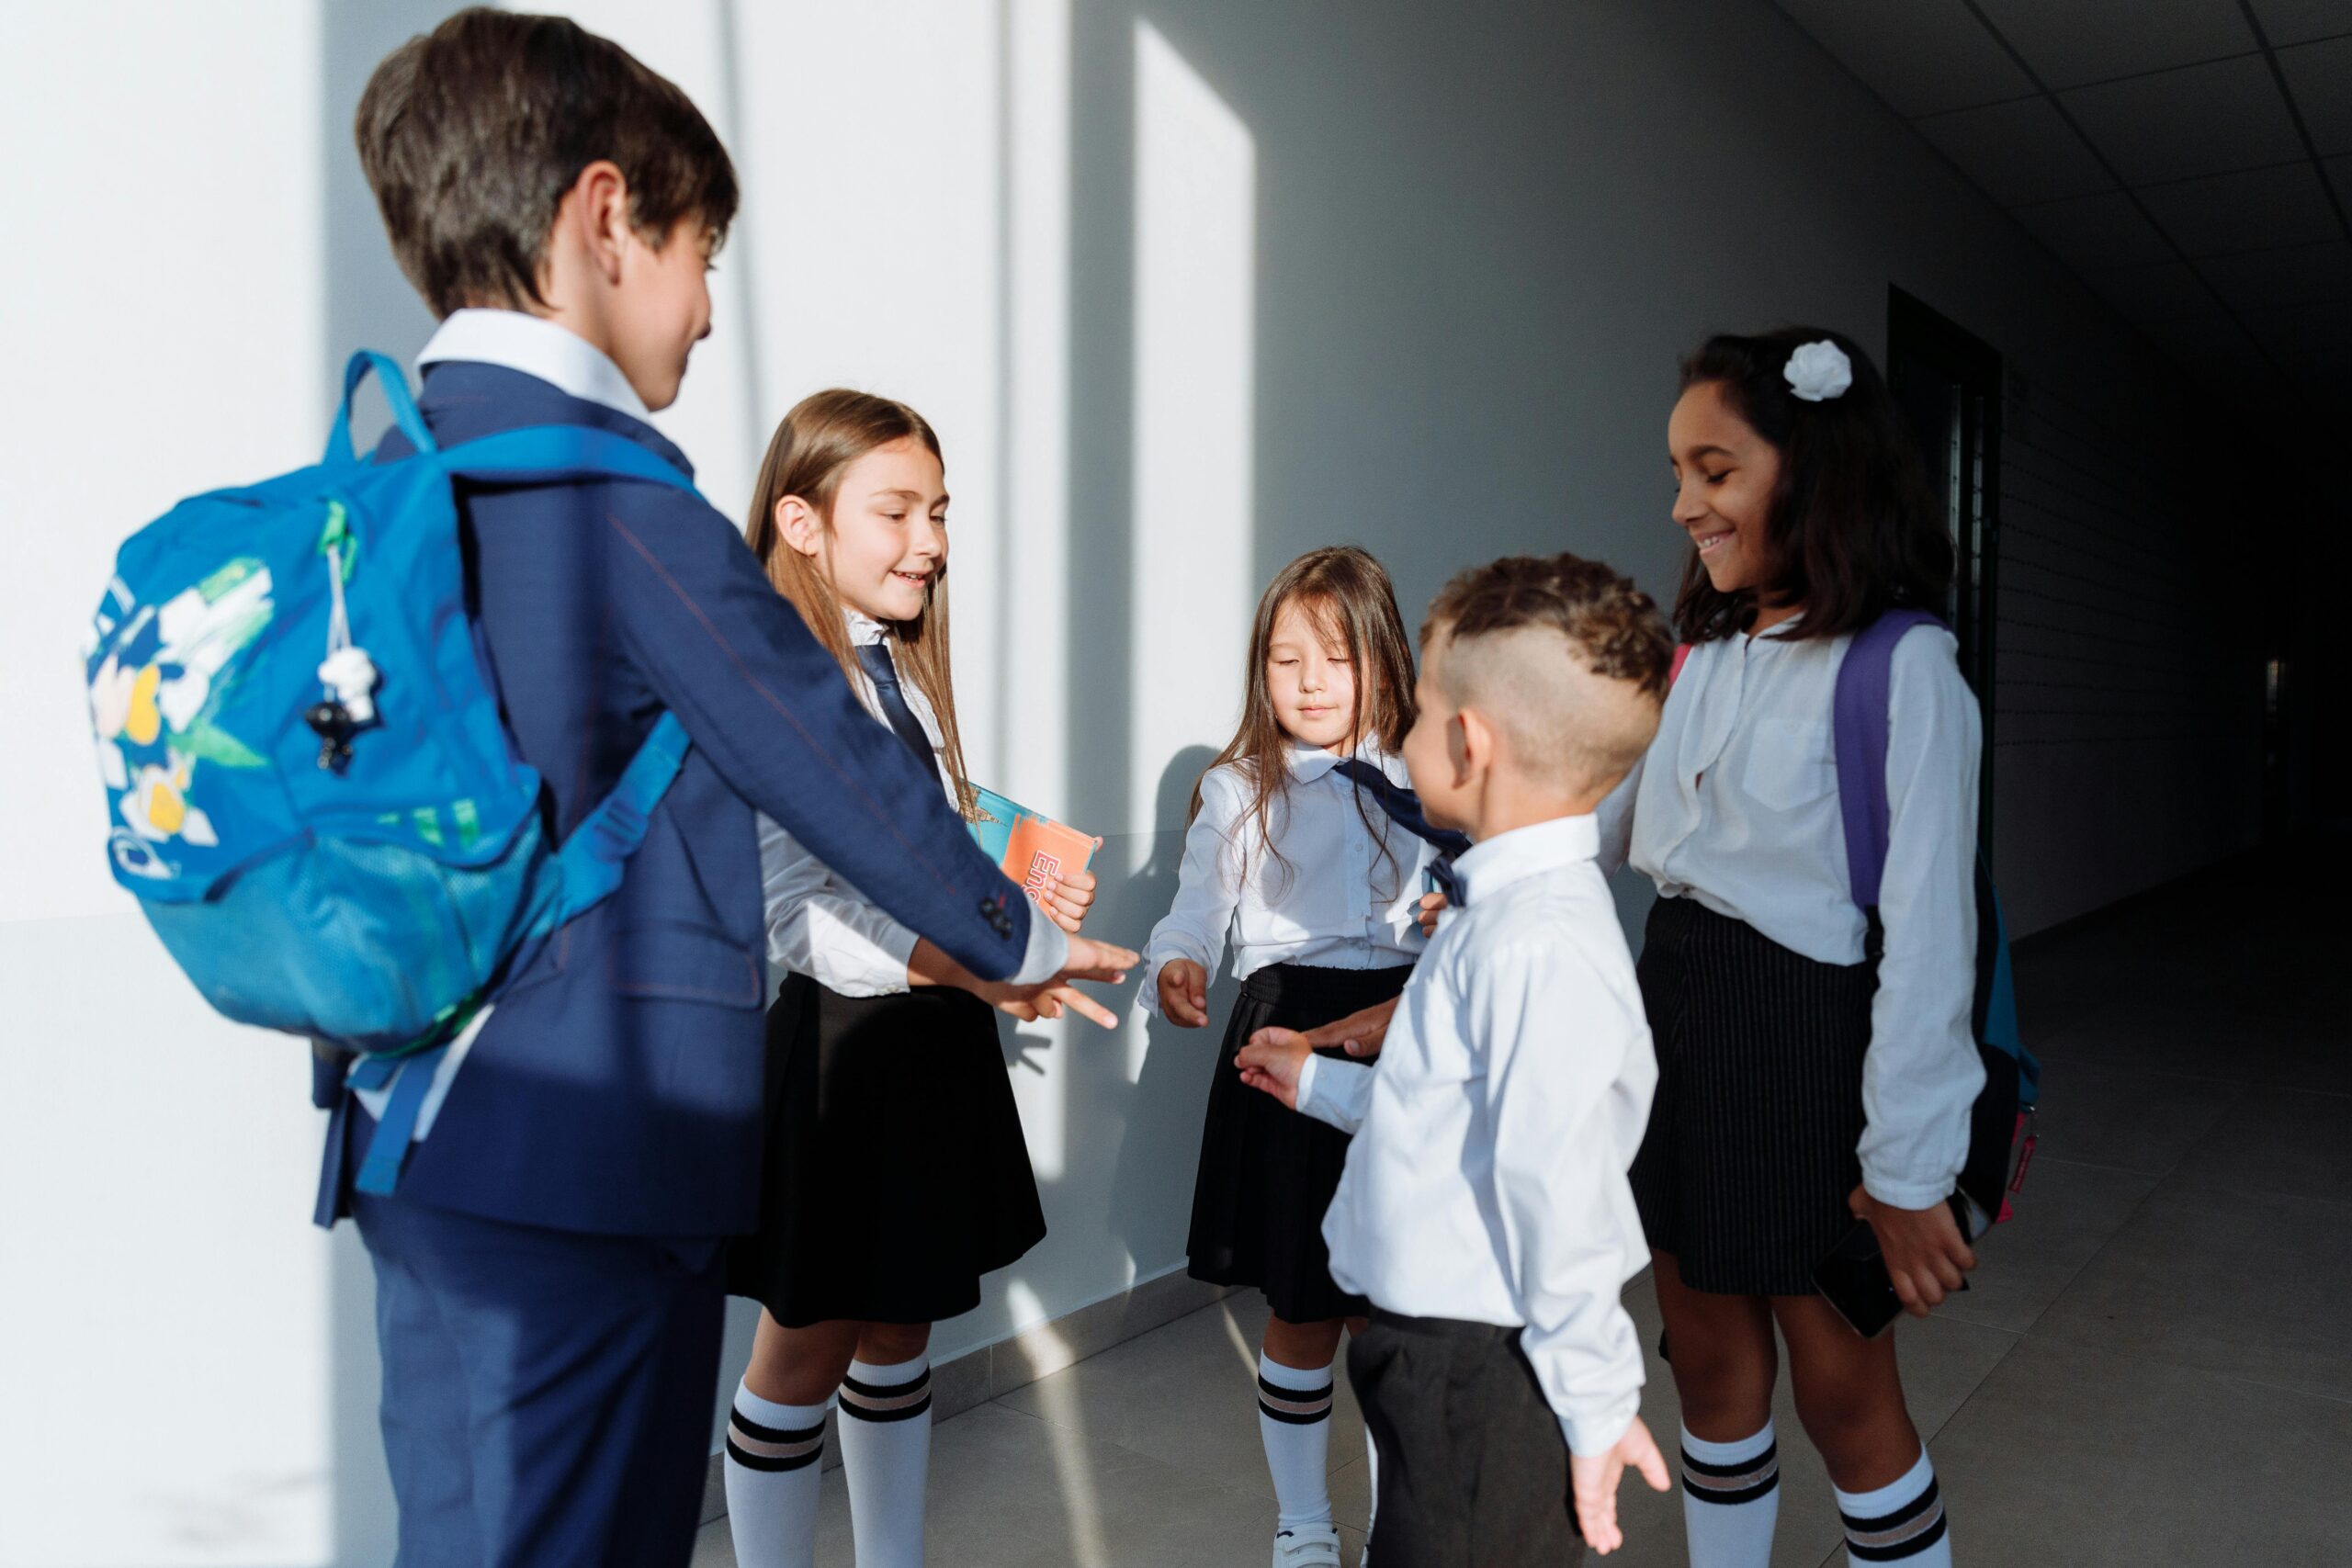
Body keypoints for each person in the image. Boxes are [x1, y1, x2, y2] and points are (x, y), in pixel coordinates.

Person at [318, 16, 1133, 1566]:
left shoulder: (397, 461)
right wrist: (1018, 936)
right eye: (702, 254)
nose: (702, 312)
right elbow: (822, 765)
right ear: (603, 219)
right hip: (589, 1157)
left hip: (411, 1127)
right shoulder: (614, 500)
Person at [719, 390, 1114, 1567]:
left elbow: (919, 847)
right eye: (895, 511)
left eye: (936, 511)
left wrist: (1015, 893)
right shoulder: (773, 684)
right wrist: (991, 961)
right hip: (838, 1052)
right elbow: (799, 917)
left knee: (899, 1330)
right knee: (801, 1352)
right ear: (800, 522)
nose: (931, 541)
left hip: (928, 1039)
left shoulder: (895, 667)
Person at [1616, 328, 1983, 1568]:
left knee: (1844, 1393)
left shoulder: (1906, 666)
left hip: (1809, 1049)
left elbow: (1933, 937)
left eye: (1715, 469)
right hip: (1680, 1026)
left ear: (1815, 464)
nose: (1685, 504)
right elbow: (1598, 819)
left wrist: (1909, 1165)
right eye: (1678, 473)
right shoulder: (1699, 652)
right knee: (1709, 1362)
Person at [1238, 552, 1675, 1562]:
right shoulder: (1492, 916)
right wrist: (1318, 1082)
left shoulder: (1539, 943)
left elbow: (1554, 1190)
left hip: (1484, 1360)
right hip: (1430, 1341)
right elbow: (1449, 1110)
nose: (1400, 726)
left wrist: (1599, 1402)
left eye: (1419, 704)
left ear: (1468, 744)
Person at [1139, 546, 1450, 1568]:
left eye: (1334, 657)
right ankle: (1302, 1527)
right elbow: (1196, 908)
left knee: (1389, 1310)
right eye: (1284, 660)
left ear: (1384, 661)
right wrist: (1178, 962)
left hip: (1404, 1025)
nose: (1309, 682)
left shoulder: (1431, 773)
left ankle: (1389, 1531)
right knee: (1304, 1301)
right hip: (1283, 1033)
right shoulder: (1236, 788)